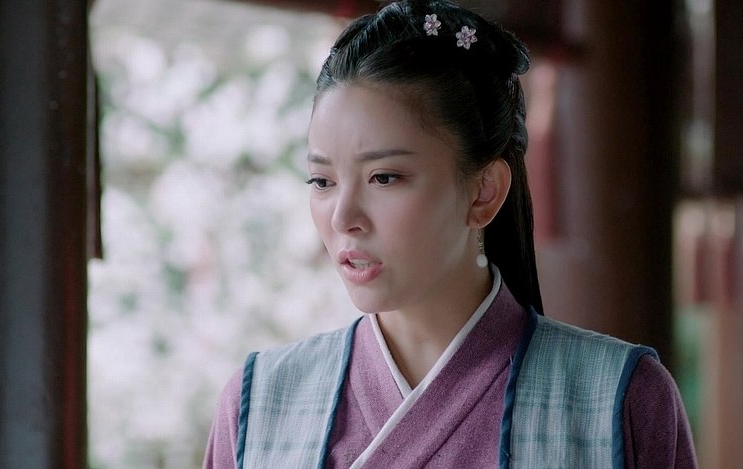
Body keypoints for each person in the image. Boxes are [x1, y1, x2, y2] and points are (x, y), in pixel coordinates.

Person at [204, 0, 697, 467]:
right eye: (322, 182)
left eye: (384, 177)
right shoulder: (259, 403)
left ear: (484, 191)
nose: (342, 217)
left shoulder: (618, 398)